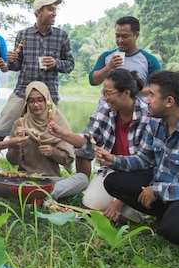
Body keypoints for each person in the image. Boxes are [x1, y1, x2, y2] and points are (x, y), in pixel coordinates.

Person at [95, 71, 179, 245]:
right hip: (170, 188)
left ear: (169, 101)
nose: (146, 100)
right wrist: (114, 160)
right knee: (113, 181)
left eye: (152, 95)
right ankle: (168, 213)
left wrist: (157, 191)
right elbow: (144, 159)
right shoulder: (155, 123)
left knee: (173, 230)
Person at [48, 69, 149, 221]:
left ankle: (130, 207)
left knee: (122, 216)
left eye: (109, 93)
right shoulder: (106, 111)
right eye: (103, 92)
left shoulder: (147, 116)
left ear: (126, 93)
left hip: (139, 175)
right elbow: (89, 140)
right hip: (113, 170)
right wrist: (62, 134)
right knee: (90, 204)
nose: (105, 98)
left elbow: (146, 162)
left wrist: (120, 202)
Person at [78, 16, 161, 174]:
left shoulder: (149, 60)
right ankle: (82, 186)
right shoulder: (107, 56)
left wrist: (129, 90)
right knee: (83, 149)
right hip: (104, 112)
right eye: (117, 36)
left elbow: (158, 89)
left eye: (125, 36)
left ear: (136, 35)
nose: (120, 40)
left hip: (137, 116)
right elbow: (93, 80)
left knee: (134, 155)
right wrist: (108, 68)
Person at [0, 0, 75, 142]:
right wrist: (11, 61)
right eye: (50, 9)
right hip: (22, 92)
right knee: (0, 132)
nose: (54, 13)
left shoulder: (62, 36)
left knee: (46, 138)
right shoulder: (23, 35)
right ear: (38, 12)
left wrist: (56, 63)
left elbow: (70, 64)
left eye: (55, 9)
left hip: (49, 96)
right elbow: (16, 66)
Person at [5, 81, 82, 200]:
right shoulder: (20, 124)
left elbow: (67, 159)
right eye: (31, 101)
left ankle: (40, 195)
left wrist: (53, 152)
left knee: (82, 179)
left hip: (51, 180)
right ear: (26, 103)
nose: (36, 105)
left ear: (47, 101)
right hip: (24, 179)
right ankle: (40, 195)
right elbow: (12, 161)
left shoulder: (58, 123)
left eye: (40, 100)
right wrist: (16, 143)